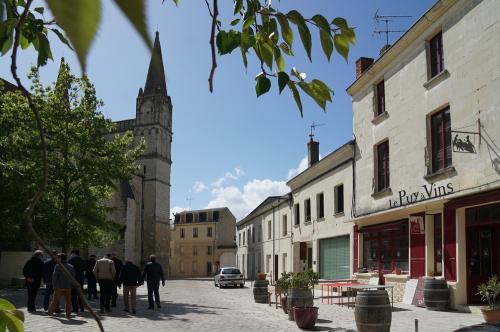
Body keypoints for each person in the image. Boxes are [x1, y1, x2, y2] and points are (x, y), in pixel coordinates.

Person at [48, 253, 75, 319]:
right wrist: (71, 285)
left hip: (58, 287)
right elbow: (73, 277)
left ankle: (50, 313)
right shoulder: (71, 266)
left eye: (58, 257)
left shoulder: (57, 266)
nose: (57, 259)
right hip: (68, 287)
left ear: (60, 258)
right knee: (68, 301)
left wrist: (54, 285)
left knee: (55, 301)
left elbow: (54, 277)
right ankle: (68, 315)